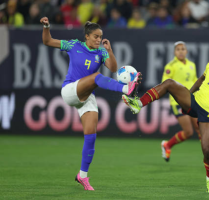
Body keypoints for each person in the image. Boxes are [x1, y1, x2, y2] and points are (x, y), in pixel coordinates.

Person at [122, 42, 209, 193]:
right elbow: (200, 80)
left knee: (207, 150)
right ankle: (138, 103)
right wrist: (188, 95)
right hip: (195, 101)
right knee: (169, 83)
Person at [40, 16, 141, 190]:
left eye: (100, 37)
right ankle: (126, 90)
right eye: (95, 37)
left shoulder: (101, 52)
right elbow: (47, 41)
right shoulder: (74, 45)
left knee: (91, 136)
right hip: (70, 90)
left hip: (87, 97)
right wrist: (47, 26)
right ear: (86, 36)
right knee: (96, 77)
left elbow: (114, 68)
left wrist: (109, 51)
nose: (99, 40)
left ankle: (82, 176)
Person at [161, 41, 209, 169]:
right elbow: (165, 84)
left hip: (192, 100)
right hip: (177, 102)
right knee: (188, 132)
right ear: (174, 52)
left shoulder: (191, 65)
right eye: (178, 49)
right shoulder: (171, 66)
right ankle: (167, 145)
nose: (181, 51)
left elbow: (195, 82)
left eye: (183, 49)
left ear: (187, 51)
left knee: (199, 127)